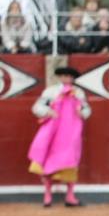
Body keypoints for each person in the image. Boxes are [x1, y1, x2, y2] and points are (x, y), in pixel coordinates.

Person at [28, 66, 91, 208]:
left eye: (69, 76)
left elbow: (87, 109)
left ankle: (70, 196)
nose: (66, 79)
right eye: (64, 76)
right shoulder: (51, 92)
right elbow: (37, 107)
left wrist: (82, 112)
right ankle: (47, 195)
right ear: (60, 77)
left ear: (72, 78)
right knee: (46, 161)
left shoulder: (79, 93)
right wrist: (49, 112)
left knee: (70, 161)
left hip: (70, 133)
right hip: (52, 132)